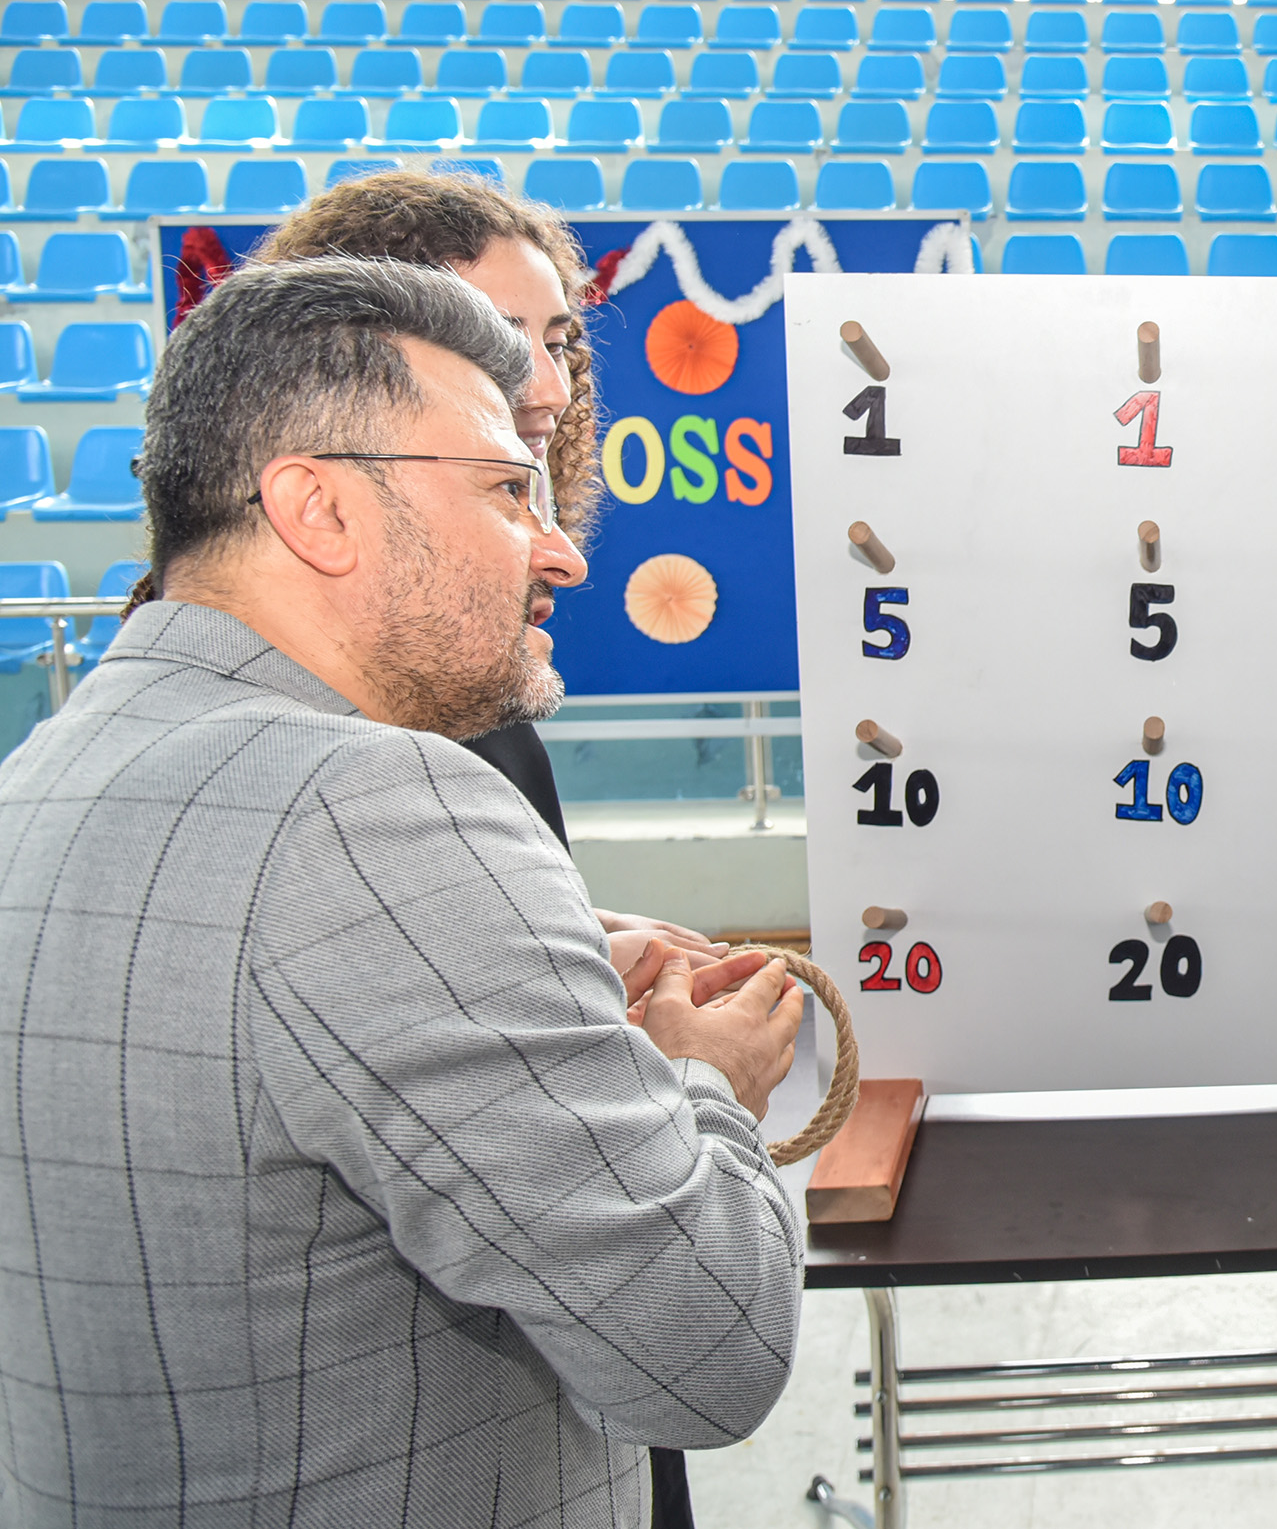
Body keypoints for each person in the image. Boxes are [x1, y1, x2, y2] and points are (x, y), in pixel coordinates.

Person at [0, 257, 806, 1525]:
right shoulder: (370, 807)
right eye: (508, 490)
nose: (562, 554)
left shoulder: (46, 768)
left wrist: (545, 991)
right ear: (318, 509)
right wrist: (706, 1082)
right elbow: (710, 1352)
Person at [248, 169, 724, 989]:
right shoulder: (303, 733)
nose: (552, 387)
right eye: (495, 338)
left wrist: (560, 937)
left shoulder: (469, 691)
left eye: (558, 342)